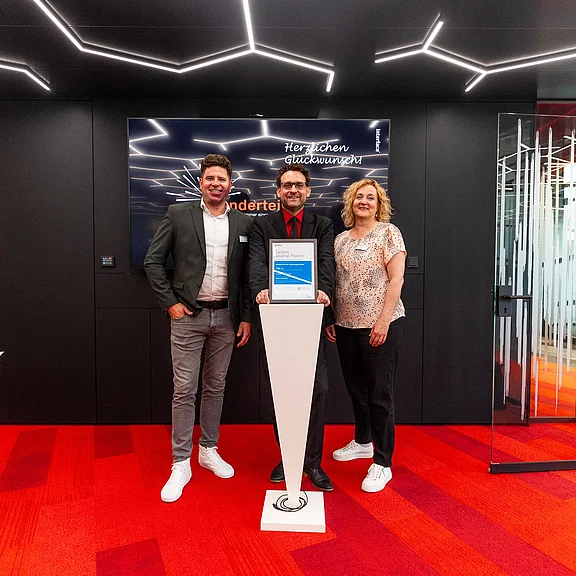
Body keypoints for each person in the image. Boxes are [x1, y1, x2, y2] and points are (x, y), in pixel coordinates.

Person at [144, 154, 253, 502]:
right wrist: (170, 303)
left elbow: (248, 275)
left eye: (222, 179)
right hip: (188, 316)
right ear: (201, 182)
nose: (216, 184)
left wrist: (246, 316)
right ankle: (180, 462)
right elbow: (152, 261)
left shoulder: (243, 222)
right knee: (184, 389)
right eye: (210, 178)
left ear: (230, 185)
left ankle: (208, 449)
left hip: (227, 317)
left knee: (216, 386)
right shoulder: (179, 214)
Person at [249, 163, 335, 492]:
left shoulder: (323, 225)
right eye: (287, 185)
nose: (293, 190)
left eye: (299, 185)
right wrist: (261, 289)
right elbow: (257, 262)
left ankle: (311, 462)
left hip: (311, 320)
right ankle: (288, 456)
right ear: (278, 191)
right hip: (276, 321)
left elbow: (326, 261)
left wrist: (323, 291)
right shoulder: (262, 226)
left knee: (318, 390)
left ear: (308, 191)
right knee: (281, 391)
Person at [325, 178, 406, 493]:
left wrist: (383, 322)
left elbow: (396, 280)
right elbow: (335, 283)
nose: (364, 201)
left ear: (379, 204)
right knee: (356, 390)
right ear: (351, 202)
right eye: (359, 196)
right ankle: (362, 441)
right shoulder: (340, 240)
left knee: (379, 395)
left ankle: (383, 462)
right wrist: (332, 318)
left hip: (380, 326)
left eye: (371, 197)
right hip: (346, 326)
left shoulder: (389, 233)